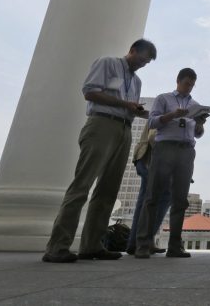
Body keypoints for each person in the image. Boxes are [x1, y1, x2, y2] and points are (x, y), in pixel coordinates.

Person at [43, 39, 155, 263]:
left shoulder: (137, 81)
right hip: (101, 124)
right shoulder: (108, 63)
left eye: (147, 63)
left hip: (125, 129)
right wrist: (125, 105)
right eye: (142, 59)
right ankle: (57, 246)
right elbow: (90, 92)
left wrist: (141, 112)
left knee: (108, 190)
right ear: (132, 50)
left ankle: (92, 245)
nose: (143, 65)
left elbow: (129, 105)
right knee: (82, 185)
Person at [135, 68, 208, 259]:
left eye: (192, 84)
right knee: (153, 197)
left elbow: (198, 134)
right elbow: (152, 122)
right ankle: (143, 243)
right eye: (186, 83)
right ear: (178, 81)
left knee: (180, 200)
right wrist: (172, 116)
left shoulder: (195, 105)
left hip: (186, 151)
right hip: (165, 148)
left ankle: (175, 246)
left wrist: (200, 122)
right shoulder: (164, 99)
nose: (189, 87)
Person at [125, 124, 170, 256]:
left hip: (151, 157)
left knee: (149, 200)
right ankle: (141, 242)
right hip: (152, 157)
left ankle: (138, 242)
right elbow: (153, 135)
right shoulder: (168, 104)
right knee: (151, 199)